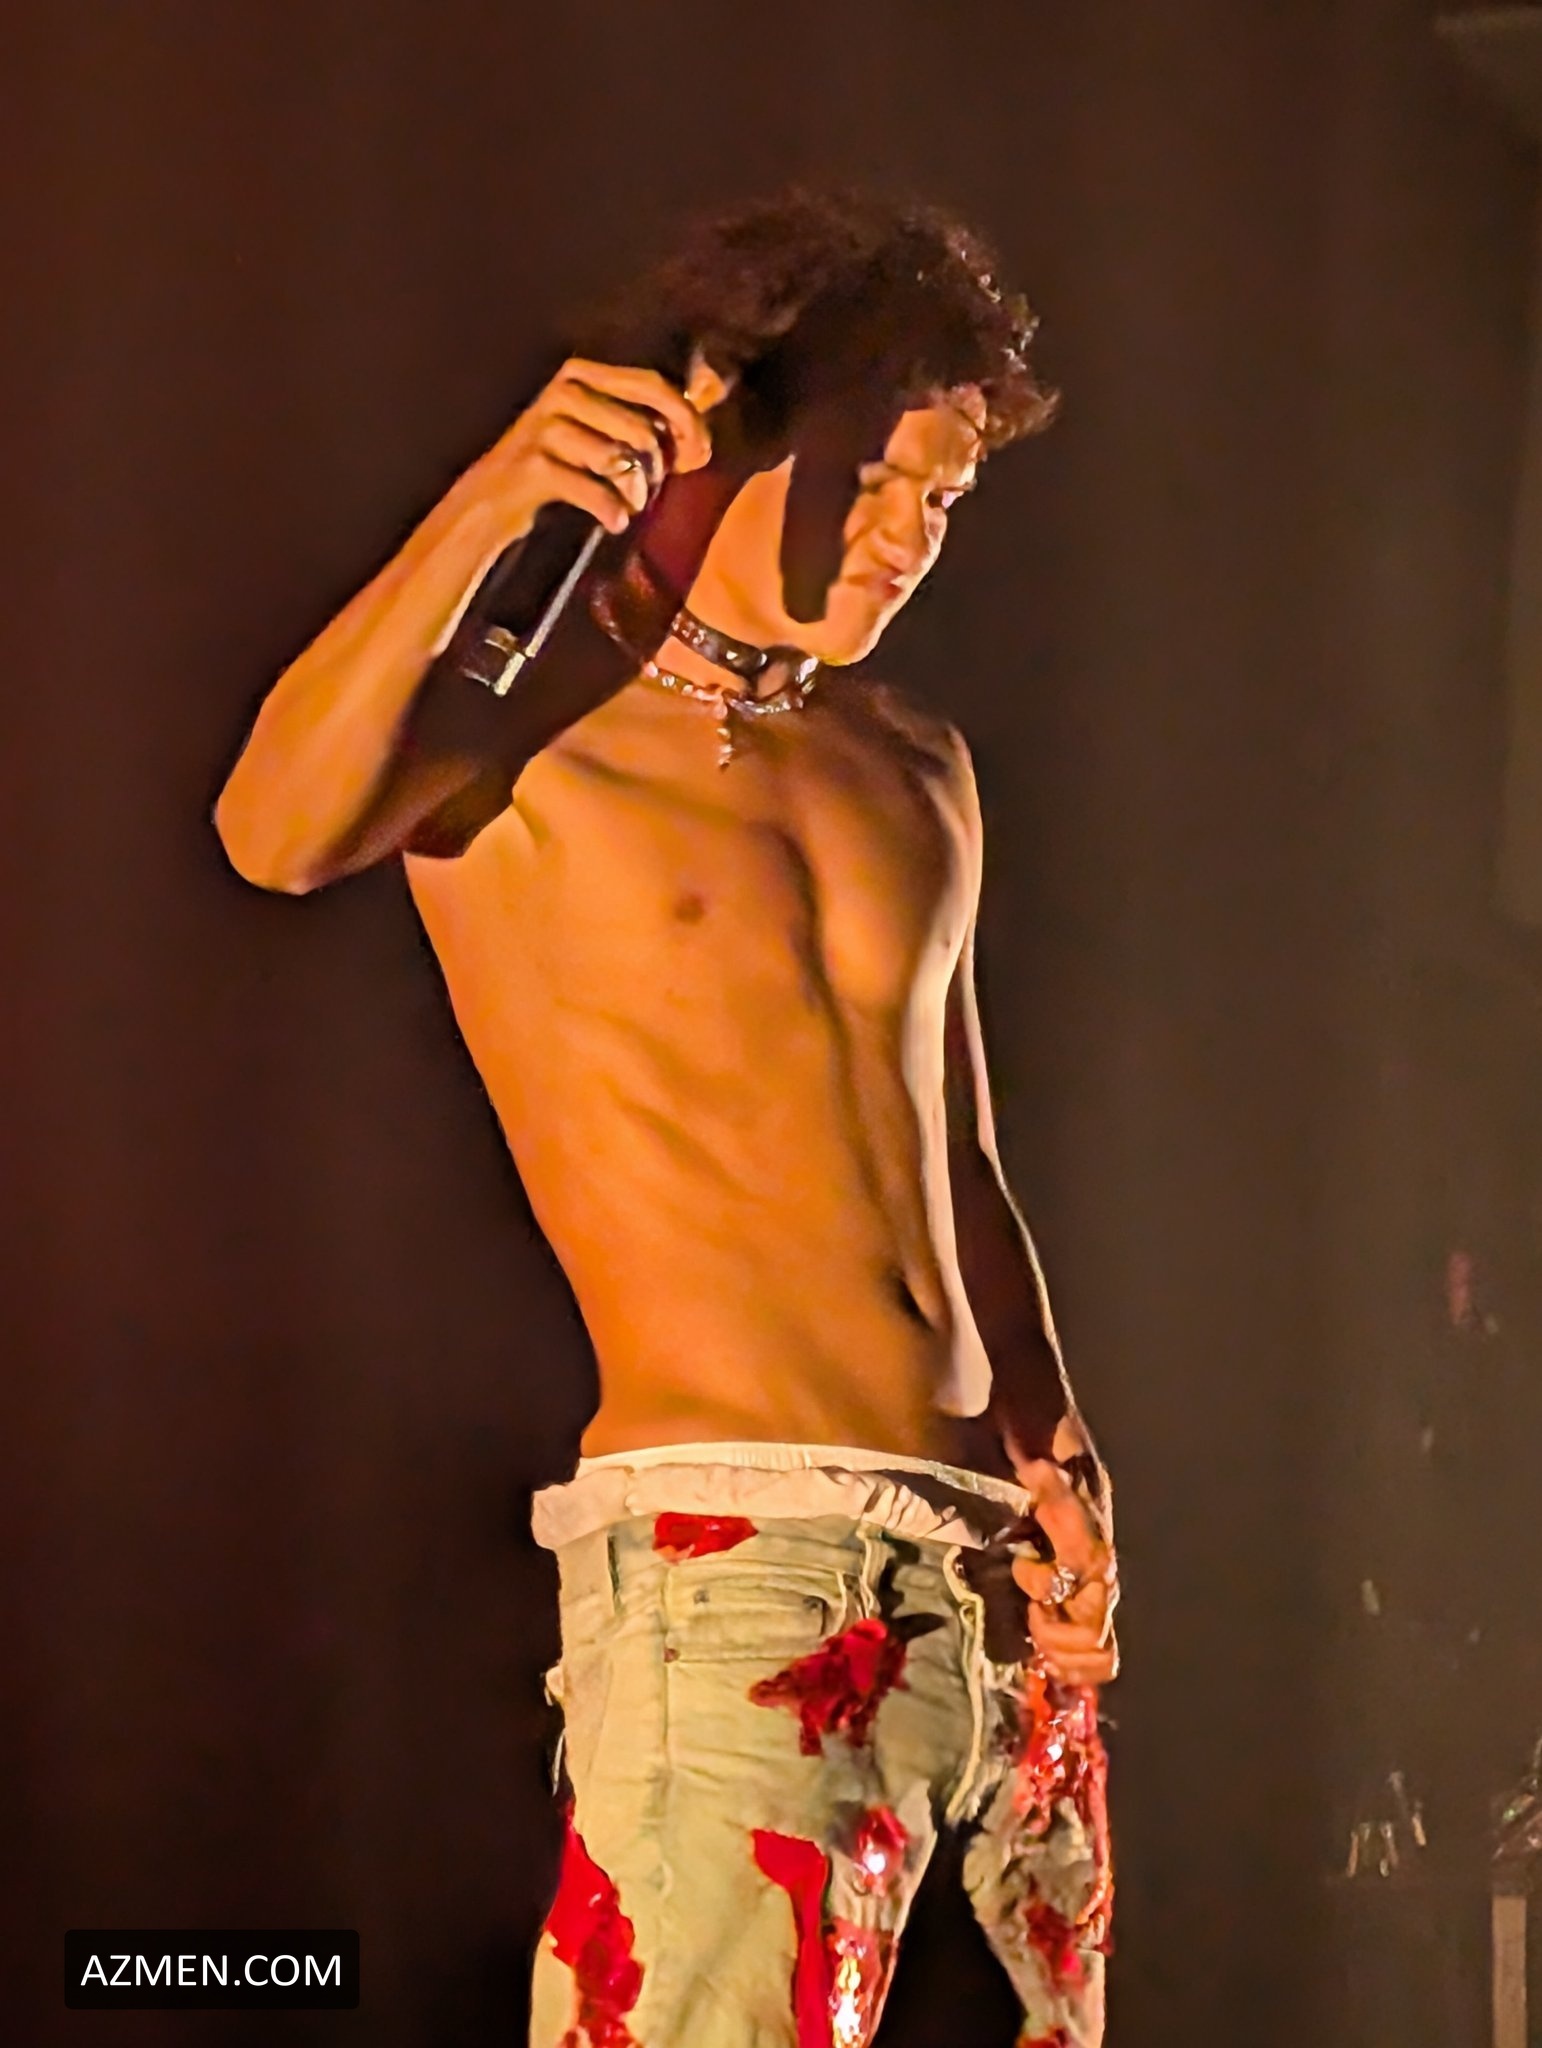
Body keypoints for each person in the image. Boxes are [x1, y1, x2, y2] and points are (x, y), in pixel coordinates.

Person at [215, 187, 1120, 2048]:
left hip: (985, 1575)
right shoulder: (522, 737)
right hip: (743, 1557)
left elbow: (953, 1151)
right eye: (870, 470)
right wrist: (505, 495)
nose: (901, 533)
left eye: (941, 499)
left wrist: (1053, 1436)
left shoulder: (913, 761)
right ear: (722, 435)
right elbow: (269, 834)